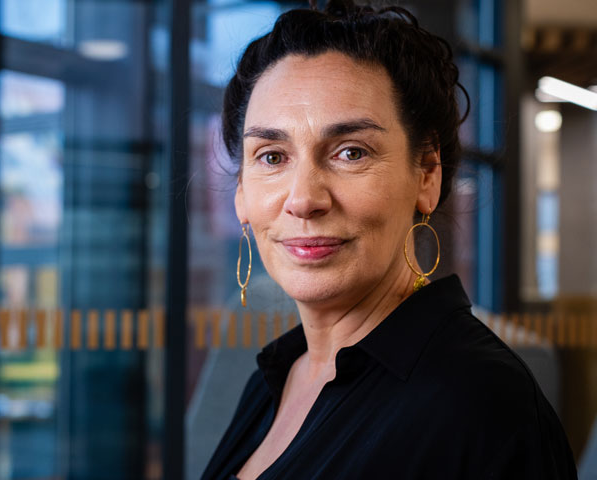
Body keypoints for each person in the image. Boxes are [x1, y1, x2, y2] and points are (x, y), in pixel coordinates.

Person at [200, 1, 578, 479]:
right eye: (272, 157)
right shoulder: (275, 376)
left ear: (427, 174)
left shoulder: (482, 405)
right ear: (241, 194)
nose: (303, 199)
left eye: (350, 152)